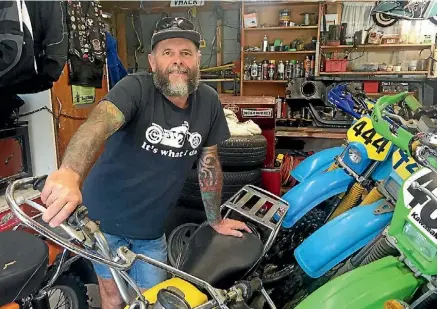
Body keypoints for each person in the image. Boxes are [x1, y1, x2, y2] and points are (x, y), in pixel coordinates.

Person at [40, 17, 251, 309]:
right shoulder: (134, 88)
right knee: (113, 298)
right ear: (153, 61)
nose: (177, 61)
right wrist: (69, 173)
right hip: (103, 222)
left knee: (153, 301)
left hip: (152, 230)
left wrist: (215, 219)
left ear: (198, 60)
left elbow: (209, 163)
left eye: (186, 53)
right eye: (168, 53)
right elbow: (97, 125)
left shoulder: (209, 101)